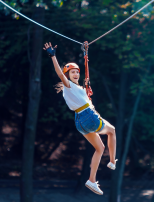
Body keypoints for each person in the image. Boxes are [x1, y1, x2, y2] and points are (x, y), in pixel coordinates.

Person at [43, 42, 117, 195]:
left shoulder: (79, 89)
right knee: (112, 131)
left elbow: (84, 95)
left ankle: (91, 180)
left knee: (100, 148)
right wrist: (53, 56)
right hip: (88, 117)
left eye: (77, 72)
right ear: (68, 76)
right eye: (72, 73)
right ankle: (112, 162)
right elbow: (59, 73)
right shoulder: (68, 86)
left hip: (79, 122)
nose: (76, 74)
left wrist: (85, 52)